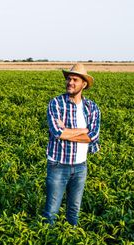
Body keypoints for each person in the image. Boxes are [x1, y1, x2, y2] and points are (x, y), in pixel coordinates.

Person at [43, 63, 101, 226]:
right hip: (58, 165)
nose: (70, 82)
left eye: (75, 80)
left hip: (80, 167)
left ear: (84, 84)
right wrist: (83, 130)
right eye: (69, 79)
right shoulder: (56, 103)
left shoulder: (92, 108)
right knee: (51, 212)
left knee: (74, 211)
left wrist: (68, 130)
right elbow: (57, 132)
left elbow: (93, 136)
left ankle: (72, 239)